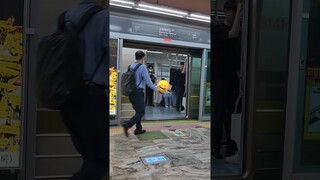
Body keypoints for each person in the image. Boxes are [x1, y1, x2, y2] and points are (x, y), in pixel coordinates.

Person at [59, 0, 109, 179]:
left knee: (91, 158)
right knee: (101, 161)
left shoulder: (65, 17)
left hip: (67, 99)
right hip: (90, 100)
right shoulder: (103, 18)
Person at [212, 0, 243, 159]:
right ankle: (215, 148)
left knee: (231, 115)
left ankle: (231, 145)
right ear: (227, 12)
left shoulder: (240, 31)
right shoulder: (218, 28)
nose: (237, 14)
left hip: (233, 78)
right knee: (218, 115)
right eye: (234, 11)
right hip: (220, 79)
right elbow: (233, 34)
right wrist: (240, 11)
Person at [122, 51, 158, 137]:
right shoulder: (142, 67)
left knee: (137, 111)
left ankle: (138, 129)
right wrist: (157, 88)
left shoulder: (130, 66)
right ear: (143, 58)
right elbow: (148, 82)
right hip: (137, 92)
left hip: (130, 92)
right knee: (141, 112)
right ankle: (127, 125)